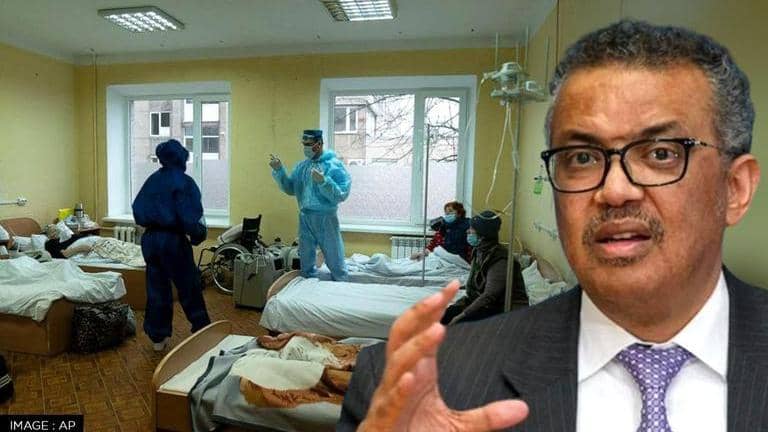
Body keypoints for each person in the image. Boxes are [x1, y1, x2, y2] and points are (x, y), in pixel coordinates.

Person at [338, 19, 764, 431]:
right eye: (582, 157)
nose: (615, 190)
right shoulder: (409, 392)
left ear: (735, 188)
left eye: (661, 153)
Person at [132, 139, 211, 351]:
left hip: (150, 240)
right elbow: (190, 218)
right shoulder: (183, 182)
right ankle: (202, 330)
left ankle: (157, 338)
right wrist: (198, 235)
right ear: (182, 157)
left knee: (157, 288)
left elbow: (138, 209)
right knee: (189, 286)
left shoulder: (151, 180)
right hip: (172, 240)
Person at [269, 129, 351, 281]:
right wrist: (279, 170)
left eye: (309, 144)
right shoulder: (302, 167)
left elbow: (341, 194)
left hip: (325, 218)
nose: (306, 147)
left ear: (319, 144)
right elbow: (290, 188)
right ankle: (308, 285)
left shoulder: (333, 166)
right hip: (305, 217)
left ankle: (341, 282)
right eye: (304, 144)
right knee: (306, 257)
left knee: (334, 255)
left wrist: (324, 182)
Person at [440, 210, 527, 325]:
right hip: (483, 303)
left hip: (500, 309)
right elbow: (475, 282)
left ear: (483, 234)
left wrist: (461, 315)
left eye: (472, 229)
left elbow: (489, 295)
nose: (467, 231)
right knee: (441, 317)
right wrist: (457, 307)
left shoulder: (500, 259)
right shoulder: (479, 251)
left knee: (458, 325)